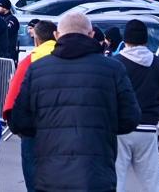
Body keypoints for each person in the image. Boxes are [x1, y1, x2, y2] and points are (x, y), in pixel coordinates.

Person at [8, 10, 138, 192]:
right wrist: (102, 126)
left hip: (50, 175)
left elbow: (19, 121)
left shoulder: (37, 69)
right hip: (96, 175)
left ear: (57, 35)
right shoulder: (113, 69)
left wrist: (45, 128)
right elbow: (130, 118)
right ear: (91, 34)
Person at [115, 18, 159, 192]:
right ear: (146, 40)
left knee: (116, 177)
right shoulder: (158, 63)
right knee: (151, 180)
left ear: (125, 39)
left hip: (120, 128)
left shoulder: (116, 63)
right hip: (148, 127)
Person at [3, 18, 56, 192]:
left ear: (37, 39)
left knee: (33, 176)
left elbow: (13, 96)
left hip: (33, 129)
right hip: (62, 128)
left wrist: (16, 125)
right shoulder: (68, 57)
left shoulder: (30, 61)